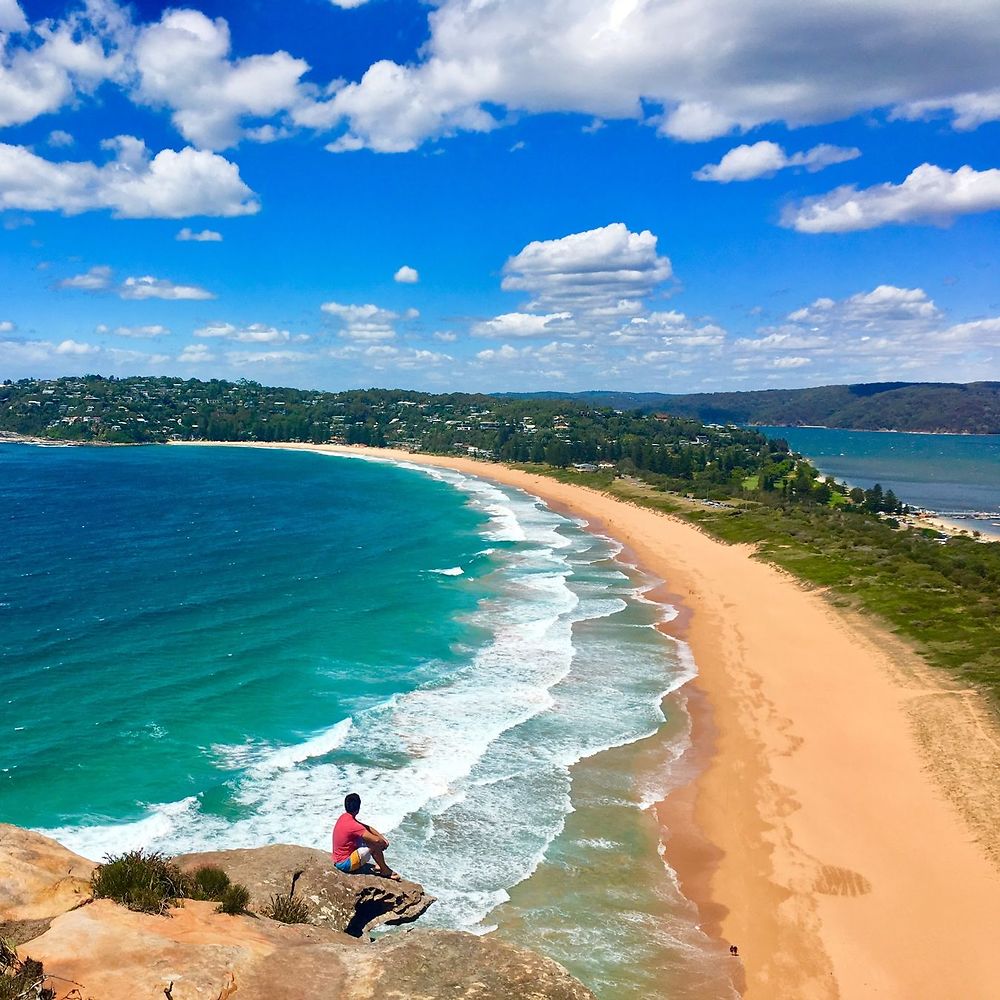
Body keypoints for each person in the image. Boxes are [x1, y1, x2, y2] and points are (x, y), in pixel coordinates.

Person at [332, 792, 400, 879]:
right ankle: (385, 870)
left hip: (338, 859)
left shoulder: (344, 817)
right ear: (358, 807)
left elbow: (367, 828)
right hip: (344, 864)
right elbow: (376, 841)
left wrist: (382, 838)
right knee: (374, 844)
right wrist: (383, 842)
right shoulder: (353, 825)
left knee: (369, 839)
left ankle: (380, 865)